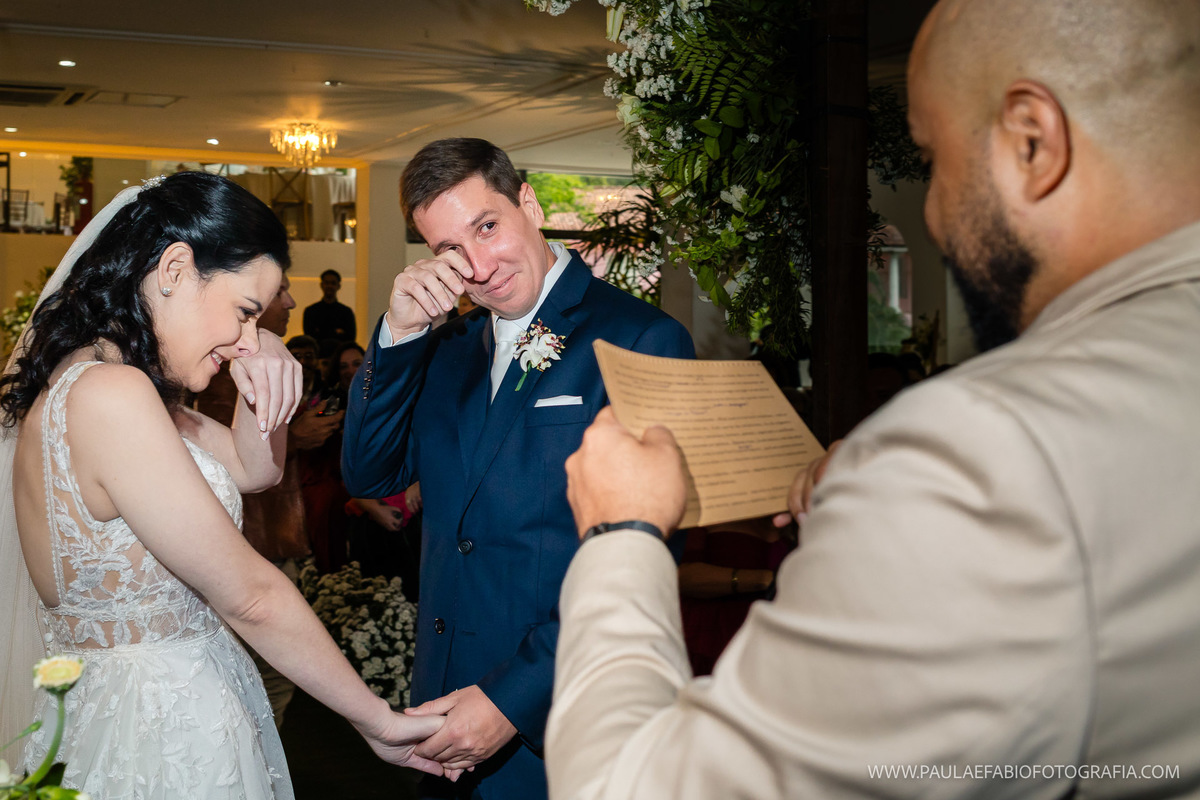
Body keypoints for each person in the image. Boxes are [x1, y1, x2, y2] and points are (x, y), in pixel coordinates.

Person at [548, 0, 1200, 797]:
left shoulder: (985, 450)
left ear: (1033, 141)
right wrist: (882, 514)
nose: (931, 211)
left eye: (932, 158)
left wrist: (620, 531)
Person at [0, 173, 443, 798]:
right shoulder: (111, 395)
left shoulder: (97, 383)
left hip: (142, 707)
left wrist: (269, 356)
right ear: (175, 269)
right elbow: (251, 596)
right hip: (155, 730)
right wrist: (378, 721)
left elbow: (254, 470)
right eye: (245, 311)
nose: (246, 337)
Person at [341, 138, 694, 798]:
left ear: (528, 203)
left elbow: (650, 558)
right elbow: (370, 473)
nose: (479, 267)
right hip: (442, 712)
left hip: (561, 718)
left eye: (487, 227)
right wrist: (400, 334)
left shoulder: (643, 338)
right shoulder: (444, 349)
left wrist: (512, 700)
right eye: (450, 250)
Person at [303, 268, 357, 356]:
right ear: (321, 285)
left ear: (338, 286)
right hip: (318, 357)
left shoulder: (346, 312)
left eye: (333, 283)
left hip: (340, 358)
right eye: (327, 283)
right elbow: (309, 339)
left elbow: (350, 339)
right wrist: (337, 333)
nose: (329, 286)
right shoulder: (310, 311)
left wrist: (320, 332)